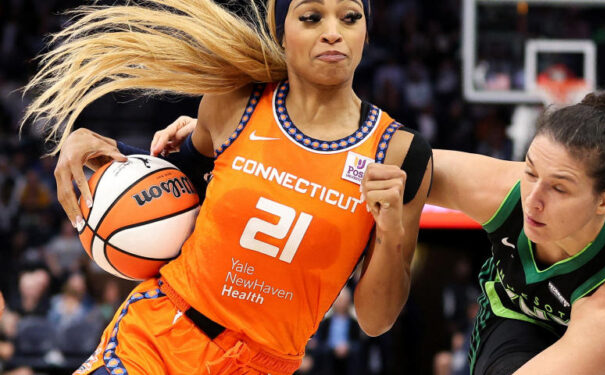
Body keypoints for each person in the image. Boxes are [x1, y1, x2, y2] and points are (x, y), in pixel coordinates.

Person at [23, 0, 432, 374]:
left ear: (365, 31)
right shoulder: (234, 103)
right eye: (311, 17)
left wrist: (391, 231)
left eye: (350, 18)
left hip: (264, 365)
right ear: (280, 32)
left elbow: (376, 321)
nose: (332, 32)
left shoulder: (399, 153)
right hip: (159, 338)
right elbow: (177, 187)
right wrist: (107, 149)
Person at [428, 84, 605, 374]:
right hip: (522, 316)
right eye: (530, 171)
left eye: (558, 188)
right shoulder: (505, 189)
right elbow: (397, 157)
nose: (532, 200)